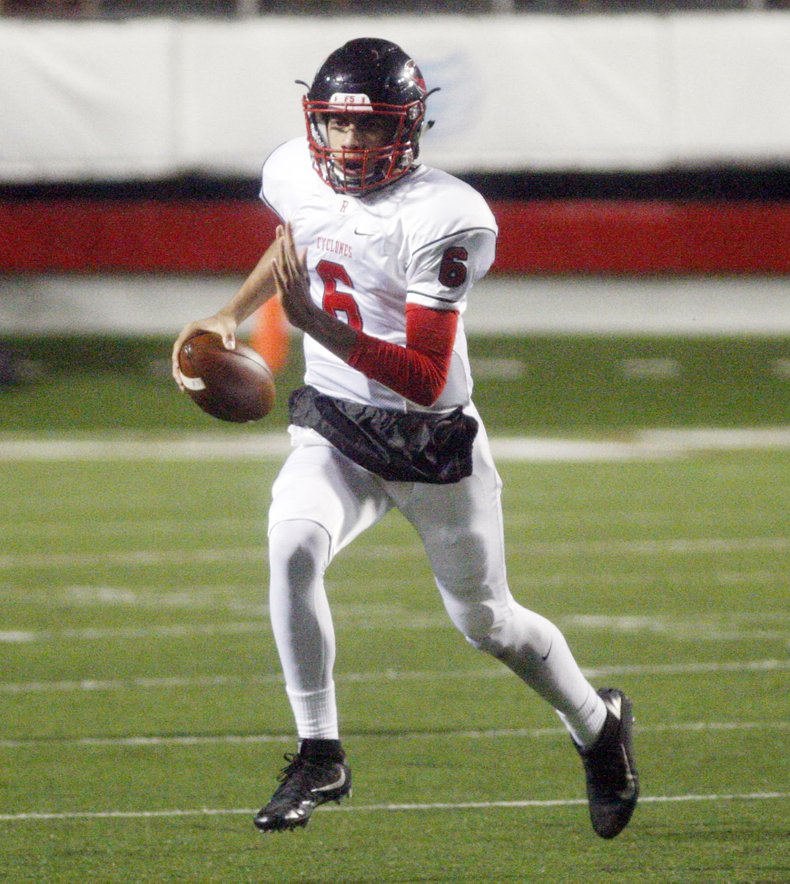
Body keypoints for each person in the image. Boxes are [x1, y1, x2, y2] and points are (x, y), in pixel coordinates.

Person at [171, 37, 639, 839]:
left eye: (374, 129)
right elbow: (295, 247)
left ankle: (598, 727)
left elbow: (422, 376)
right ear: (315, 123)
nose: (352, 145)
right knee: (290, 545)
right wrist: (231, 313)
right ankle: (320, 751)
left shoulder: (445, 215)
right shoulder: (293, 170)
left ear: (410, 129)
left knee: (488, 624)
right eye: (340, 127)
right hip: (336, 424)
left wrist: (320, 326)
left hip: (430, 440)